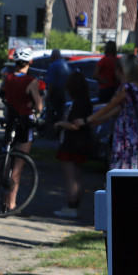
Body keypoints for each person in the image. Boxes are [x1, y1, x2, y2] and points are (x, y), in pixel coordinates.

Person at [80, 53, 138, 169]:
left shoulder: (125, 88)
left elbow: (109, 106)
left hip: (124, 132)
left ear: (121, 70)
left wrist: (87, 120)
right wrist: (101, 119)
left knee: (119, 166)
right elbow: (121, 108)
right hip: (135, 133)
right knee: (131, 166)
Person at [0, 47, 44, 211]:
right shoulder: (31, 82)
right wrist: (33, 103)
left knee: (7, 160)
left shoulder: (8, 77)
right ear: (30, 62)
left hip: (11, 120)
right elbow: (39, 107)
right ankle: (12, 203)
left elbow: (5, 96)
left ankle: (3, 200)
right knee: (19, 165)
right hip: (25, 122)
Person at [51, 70, 92, 218]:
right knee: (78, 175)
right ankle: (76, 203)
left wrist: (60, 123)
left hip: (71, 143)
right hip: (81, 143)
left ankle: (71, 205)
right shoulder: (86, 101)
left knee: (70, 177)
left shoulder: (77, 103)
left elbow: (75, 125)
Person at [43, 49, 72, 126]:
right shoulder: (65, 64)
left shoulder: (53, 65)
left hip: (55, 92)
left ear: (53, 56)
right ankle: (59, 129)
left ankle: (51, 131)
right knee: (61, 112)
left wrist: (48, 95)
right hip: (64, 92)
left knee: (50, 112)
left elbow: (51, 83)